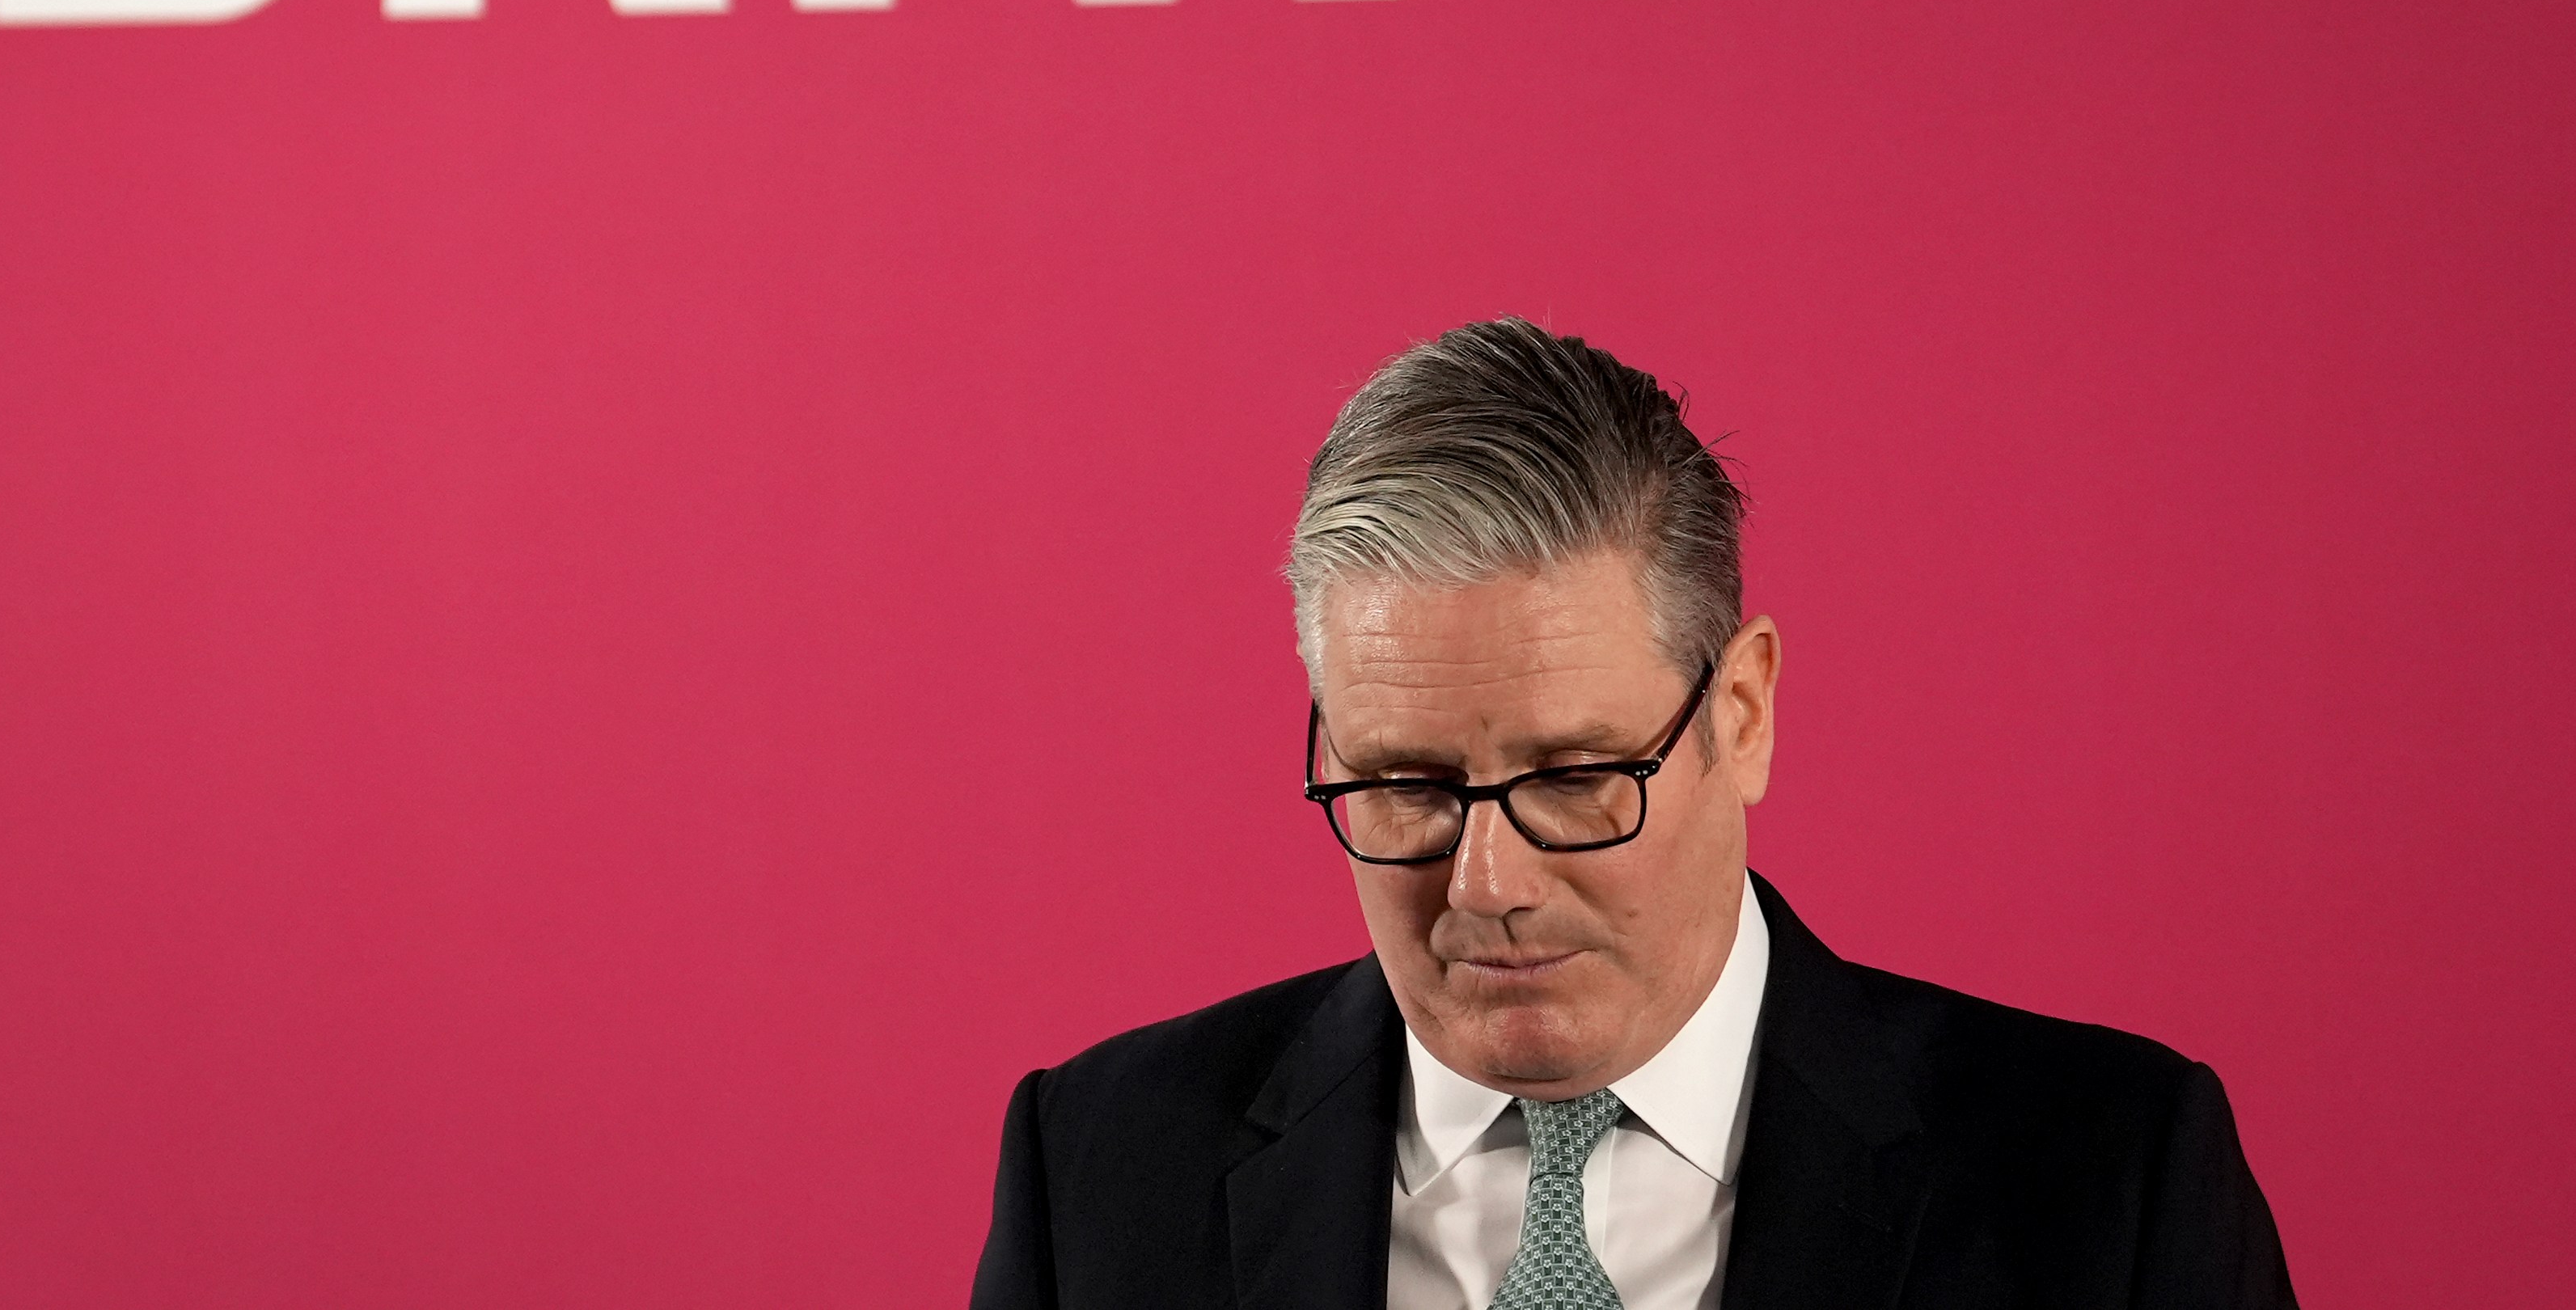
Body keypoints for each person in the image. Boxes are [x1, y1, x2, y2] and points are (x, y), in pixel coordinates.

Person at [969, 318, 2295, 1310]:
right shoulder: (1096, 1167)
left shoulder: (2105, 1180)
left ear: (1744, 713)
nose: (1486, 883)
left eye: (1571, 777)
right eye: (1407, 787)